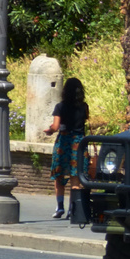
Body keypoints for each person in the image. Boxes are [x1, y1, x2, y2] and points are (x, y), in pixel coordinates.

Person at [43, 76, 89, 218]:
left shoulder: (60, 107)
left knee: (59, 176)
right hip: (79, 143)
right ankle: (72, 209)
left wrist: (50, 130)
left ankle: (60, 207)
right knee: (76, 178)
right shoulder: (84, 106)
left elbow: (56, 127)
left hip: (64, 142)